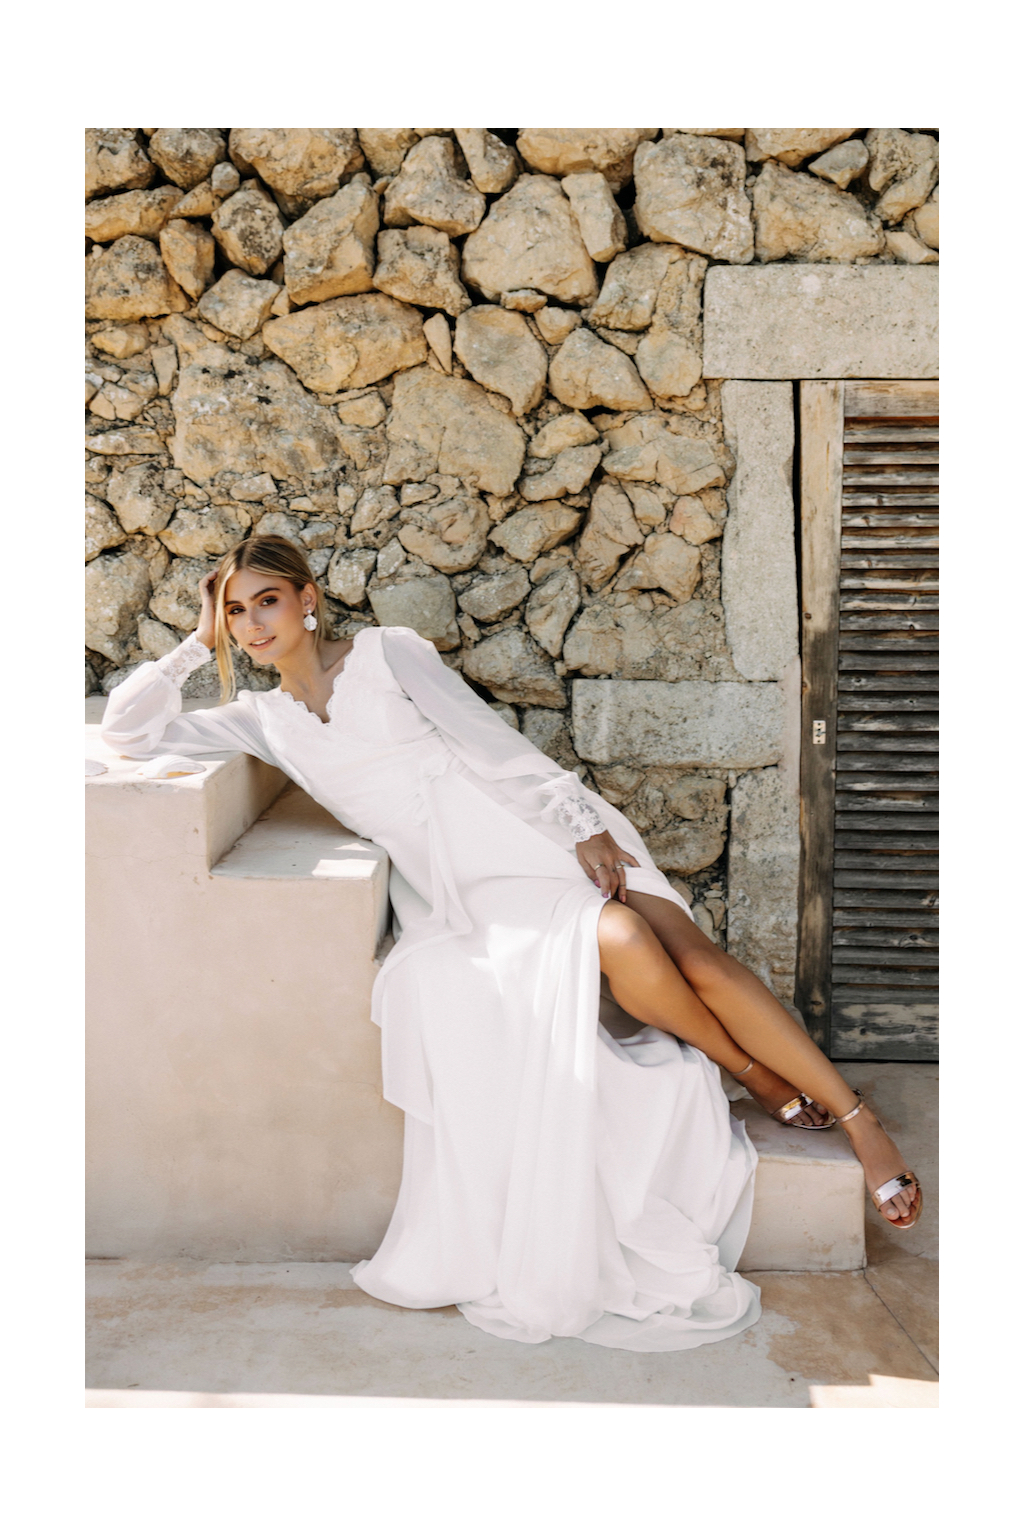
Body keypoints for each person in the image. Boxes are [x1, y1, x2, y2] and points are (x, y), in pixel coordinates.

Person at [101, 534, 922, 1352]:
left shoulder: (387, 652)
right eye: (235, 611)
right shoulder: (261, 721)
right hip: (470, 889)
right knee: (623, 938)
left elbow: (489, 741)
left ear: (307, 598)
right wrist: (195, 644)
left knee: (693, 956)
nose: (252, 623)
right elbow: (125, 732)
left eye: (266, 602)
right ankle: (751, 1071)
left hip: (534, 830)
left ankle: (860, 1124)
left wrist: (579, 824)